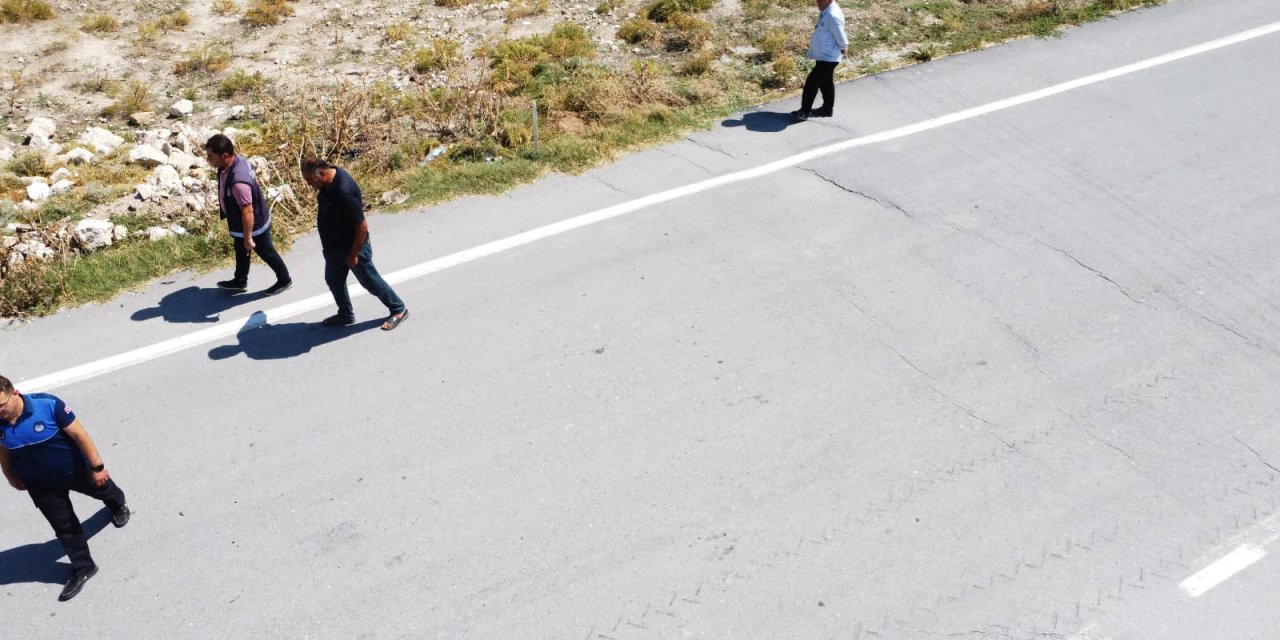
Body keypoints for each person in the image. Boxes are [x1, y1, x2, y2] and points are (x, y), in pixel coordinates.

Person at [0, 375, 131, 602]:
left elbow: (80, 435)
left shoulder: (48, 405)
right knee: (64, 526)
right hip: (39, 485)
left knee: (103, 490)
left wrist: (97, 466)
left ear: (15, 393)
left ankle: (118, 503)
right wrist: (10, 475)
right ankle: (84, 567)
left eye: (0, 405)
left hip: (74, 471)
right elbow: (2, 449)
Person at [300, 158, 410, 331]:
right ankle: (345, 314)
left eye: (310, 180)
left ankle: (398, 309)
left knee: (371, 282)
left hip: (352, 249)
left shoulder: (344, 191)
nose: (309, 184)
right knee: (334, 280)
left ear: (321, 173)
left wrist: (353, 255)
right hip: (333, 248)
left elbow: (362, 226)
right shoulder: (327, 182)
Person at [204, 134, 293, 296]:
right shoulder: (234, 163)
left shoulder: (238, 182)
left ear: (225, 156)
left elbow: (247, 211)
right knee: (241, 250)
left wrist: (248, 237)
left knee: (267, 253)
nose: (207, 159)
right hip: (241, 223)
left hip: (253, 226)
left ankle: (285, 280)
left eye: (211, 156)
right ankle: (240, 281)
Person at [791, 0, 848, 121]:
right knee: (825, 82)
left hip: (829, 57)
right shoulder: (826, 11)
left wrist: (843, 47)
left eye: (820, 1)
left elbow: (841, 37)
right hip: (824, 55)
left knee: (812, 82)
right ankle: (827, 109)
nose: (817, 3)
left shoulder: (833, 15)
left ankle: (804, 111)